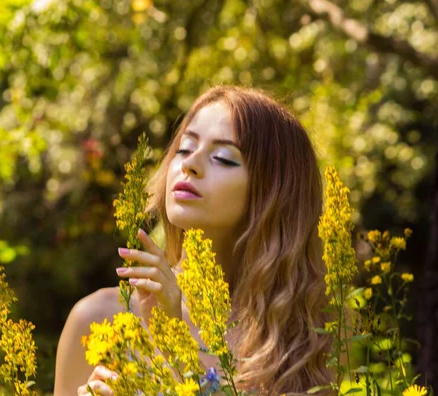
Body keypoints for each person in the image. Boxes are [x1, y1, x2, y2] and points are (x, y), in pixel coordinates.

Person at [53, 85, 333, 395]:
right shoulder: (96, 320)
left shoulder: (307, 340)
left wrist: (176, 351)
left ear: (274, 193)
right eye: (185, 148)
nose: (190, 164)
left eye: (223, 158)